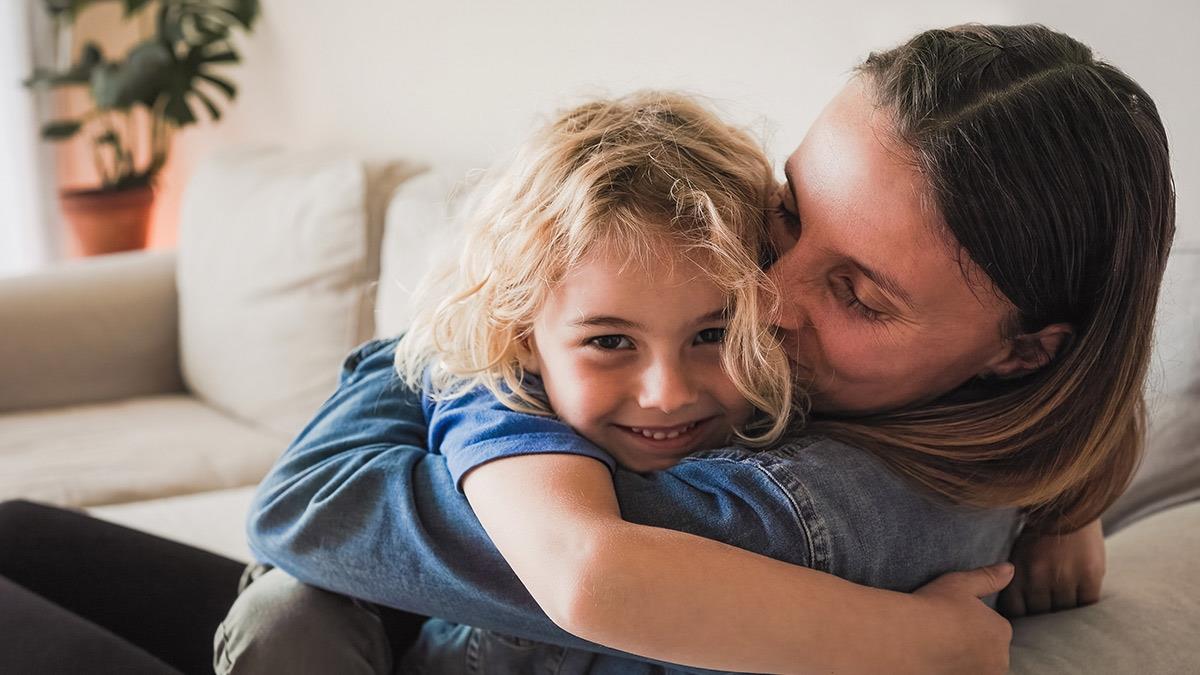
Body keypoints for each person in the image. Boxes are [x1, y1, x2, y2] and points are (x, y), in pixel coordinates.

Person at [0, 22, 1173, 675]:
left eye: (858, 292)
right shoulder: (976, 414)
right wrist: (1072, 495)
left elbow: (320, 506)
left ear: (1024, 353)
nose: (763, 298)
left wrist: (482, 341)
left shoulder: (833, 505)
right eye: (788, 217)